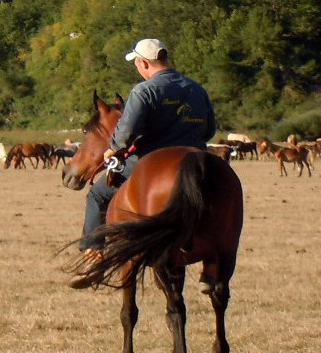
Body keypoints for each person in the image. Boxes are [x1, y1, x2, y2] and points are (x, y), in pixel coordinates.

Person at [70, 38, 216, 289]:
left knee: (97, 195)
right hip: (196, 160)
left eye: (137, 63)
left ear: (142, 63)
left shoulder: (143, 90)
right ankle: (212, 265)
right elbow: (210, 130)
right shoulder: (196, 89)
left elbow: (126, 131)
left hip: (151, 162)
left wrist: (113, 149)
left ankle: (93, 257)